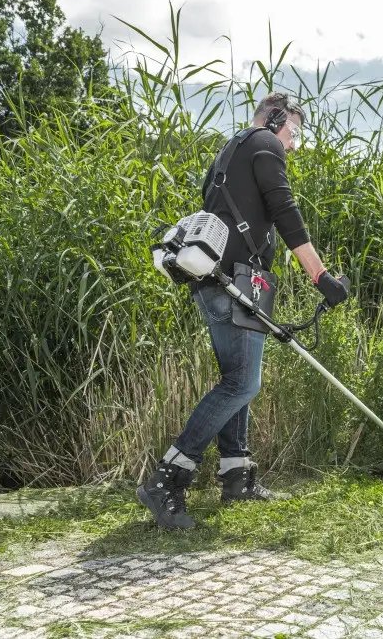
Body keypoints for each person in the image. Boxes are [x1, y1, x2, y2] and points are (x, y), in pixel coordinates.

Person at [137, 92, 349, 529]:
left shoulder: (228, 151)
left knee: (237, 378)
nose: (293, 145)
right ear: (275, 119)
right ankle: (167, 479)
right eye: (293, 132)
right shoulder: (264, 144)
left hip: (218, 278)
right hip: (235, 280)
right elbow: (285, 212)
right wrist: (322, 278)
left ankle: (237, 475)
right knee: (242, 383)